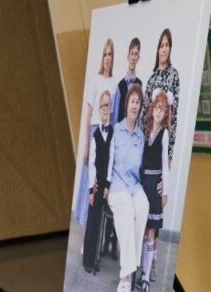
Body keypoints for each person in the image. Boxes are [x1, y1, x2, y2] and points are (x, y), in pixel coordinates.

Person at [107, 83, 150, 292]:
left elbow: (141, 168)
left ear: (140, 107)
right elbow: (108, 162)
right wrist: (104, 185)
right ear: (126, 105)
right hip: (116, 186)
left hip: (133, 186)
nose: (135, 105)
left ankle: (127, 269)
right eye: (132, 101)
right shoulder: (115, 131)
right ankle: (125, 280)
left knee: (143, 206)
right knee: (126, 210)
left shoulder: (141, 137)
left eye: (138, 102)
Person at [73, 38, 116, 226]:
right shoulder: (95, 80)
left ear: (113, 57)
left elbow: (111, 115)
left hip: (105, 135)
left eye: (110, 54)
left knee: (100, 178)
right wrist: (85, 147)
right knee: (88, 181)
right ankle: (84, 224)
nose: (107, 57)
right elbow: (89, 114)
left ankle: (95, 224)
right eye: (105, 54)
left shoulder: (114, 84)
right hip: (93, 131)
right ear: (102, 57)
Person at [136, 88, 173, 292]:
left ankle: (146, 280)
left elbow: (165, 166)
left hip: (155, 185)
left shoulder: (164, 134)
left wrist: (165, 192)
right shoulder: (145, 129)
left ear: (166, 112)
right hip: (143, 183)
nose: (159, 112)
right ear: (152, 109)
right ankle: (142, 270)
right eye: (157, 108)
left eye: (163, 109)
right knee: (143, 230)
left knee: (151, 231)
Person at [82, 90, 114, 275]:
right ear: (99, 109)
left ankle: (96, 259)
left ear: (110, 108)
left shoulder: (112, 133)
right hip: (95, 184)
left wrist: (107, 185)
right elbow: (92, 165)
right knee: (93, 221)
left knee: (102, 220)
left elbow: (111, 159)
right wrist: (91, 190)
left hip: (106, 184)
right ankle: (88, 260)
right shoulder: (95, 135)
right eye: (102, 105)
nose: (105, 108)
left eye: (107, 105)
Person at [144, 29, 179, 164]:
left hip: (163, 143)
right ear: (158, 49)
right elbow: (145, 114)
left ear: (170, 48)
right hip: (149, 143)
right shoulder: (151, 79)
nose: (164, 49)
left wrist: (170, 153)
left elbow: (174, 115)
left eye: (167, 45)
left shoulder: (174, 75)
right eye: (161, 46)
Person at [115, 37, 142, 124]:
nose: (133, 58)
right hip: (121, 128)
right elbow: (116, 114)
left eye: (136, 54)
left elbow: (139, 113)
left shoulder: (139, 84)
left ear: (138, 58)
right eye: (132, 53)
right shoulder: (120, 85)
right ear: (128, 56)